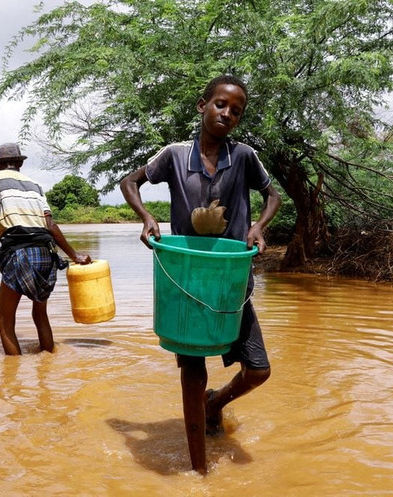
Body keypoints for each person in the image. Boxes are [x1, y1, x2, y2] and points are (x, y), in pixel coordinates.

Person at [120, 75, 281, 474]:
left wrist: (258, 227)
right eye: (221, 104)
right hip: (187, 280)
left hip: (230, 280)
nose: (227, 113)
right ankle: (199, 471)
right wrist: (146, 217)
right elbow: (130, 181)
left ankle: (215, 404)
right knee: (193, 369)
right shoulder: (175, 155)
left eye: (236, 111)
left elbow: (273, 194)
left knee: (258, 369)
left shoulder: (243, 156)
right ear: (202, 105)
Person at [0, 142, 91, 355]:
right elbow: (50, 226)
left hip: (20, 253)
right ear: (20, 162)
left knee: (4, 321)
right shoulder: (35, 185)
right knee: (40, 315)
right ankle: (48, 365)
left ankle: (12, 378)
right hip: (47, 255)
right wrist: (74, 255)